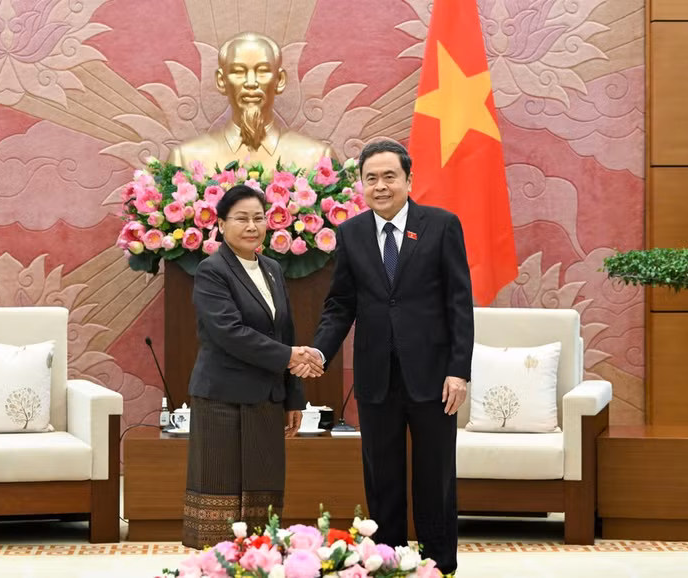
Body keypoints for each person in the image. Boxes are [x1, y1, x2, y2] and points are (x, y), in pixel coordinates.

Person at [295, 140, 474, 576]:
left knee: (435, 479)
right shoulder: (351, 233)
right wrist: (320, 349)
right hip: (376, 375)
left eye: (389, 176)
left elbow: (459, 305)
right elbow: (341, 305)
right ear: (361, 184)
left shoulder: (441, 225)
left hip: (433, 377)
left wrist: (458, 371)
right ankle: (389, 564)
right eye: (371, 178)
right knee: (382, 480)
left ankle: (439, 567)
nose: (380, 186)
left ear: (409, 180)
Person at [183, 184, 322, 548]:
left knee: (262, 495)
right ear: (222, 224)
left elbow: (285, 330)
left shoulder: (273, 269)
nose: (252, 226)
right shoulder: (211, 271)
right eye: (242, 218)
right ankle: (214, 568)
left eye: (259, 218)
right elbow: (229, 332)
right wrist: (291, 356)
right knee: (220, 495)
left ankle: (257, 564)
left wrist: (294, 398)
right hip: (221, 400)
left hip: (266, 399)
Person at [170, 32, 333, 172]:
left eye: (262, 71)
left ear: (280, 80)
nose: (250, 82)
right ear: (221, 80)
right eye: (238, 72)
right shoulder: (184, 159)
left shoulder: (318, 159)